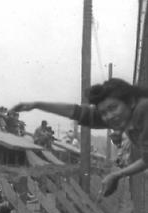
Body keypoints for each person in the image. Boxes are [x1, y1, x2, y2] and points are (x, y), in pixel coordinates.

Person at [12, 78, 148, 197]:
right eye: (104, 113)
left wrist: (118, 174)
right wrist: (38, 105)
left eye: (113, 108)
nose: (109, 116)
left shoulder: (143, 111)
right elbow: (79, 113)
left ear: (130, 101)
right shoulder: (127, 115)